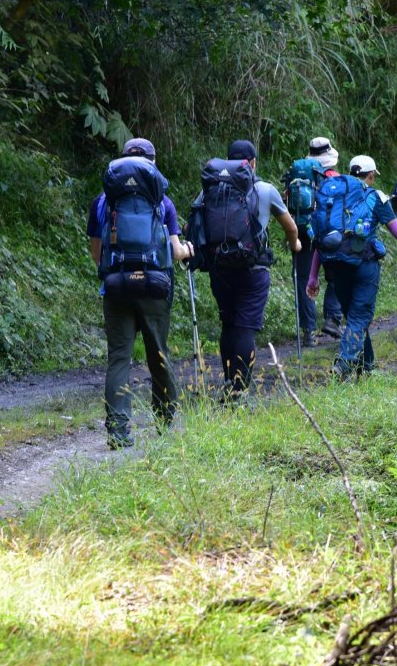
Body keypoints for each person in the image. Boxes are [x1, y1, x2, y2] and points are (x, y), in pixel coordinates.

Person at [87, 138, 194, 449]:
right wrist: (187, 249)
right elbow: (174, 251)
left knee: (119, 358)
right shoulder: (162, 201)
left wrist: (113, 269)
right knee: (158, 353)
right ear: (152, 162)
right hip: (155, 287)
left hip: (117, 285)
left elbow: (97, 251)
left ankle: (118, 432)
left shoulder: (103, 201)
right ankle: (165, 422)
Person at [189, 139, 301, 402]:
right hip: (253, 268)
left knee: (228, 322)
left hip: (219, 268)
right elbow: (291, 227)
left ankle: (230, 380)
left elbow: (193, 223)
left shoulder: (210, 189)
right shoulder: (264, 189)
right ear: (252, 163)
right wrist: (294, 244)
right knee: (245, 327)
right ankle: (239, 390)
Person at [306, 155, 397, 377]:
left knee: (355, 318)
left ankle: (367, 368)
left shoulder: (333, 199)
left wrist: (313, 277)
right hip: (364, 266)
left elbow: (320, 239)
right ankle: (342, 364)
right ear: (370, 175)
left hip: (334, 267)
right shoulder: (375, 197)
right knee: (359, 318)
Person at [305, 137, 345, 341]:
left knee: (306, 279)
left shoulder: (302, 174)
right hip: (327, 235)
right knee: (335, 276)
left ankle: (308, 331)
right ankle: (332, 319)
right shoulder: (334, 177)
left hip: (302, 232)